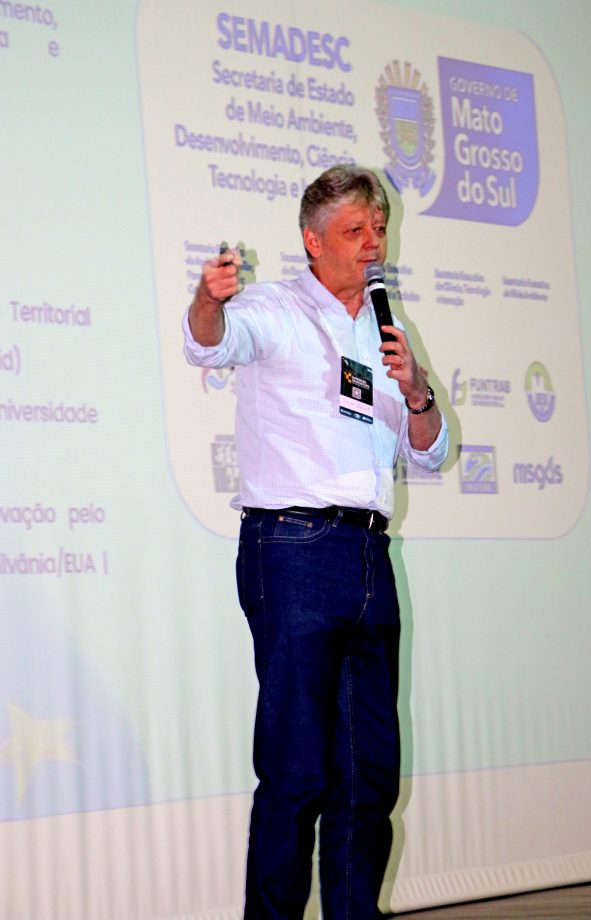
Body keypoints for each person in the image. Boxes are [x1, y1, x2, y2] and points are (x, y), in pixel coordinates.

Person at [183, 165, 448, 919]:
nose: (373, 244)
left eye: (379, 229)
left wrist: (418, 391)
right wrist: (207, 300)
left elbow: (431, 449)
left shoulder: (387, 332)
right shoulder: (273, 308)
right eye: (355, 231)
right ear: (313, 240)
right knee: (297, 772)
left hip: (369, 556)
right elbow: (209, 343)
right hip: (293, 549)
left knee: (368, 779)